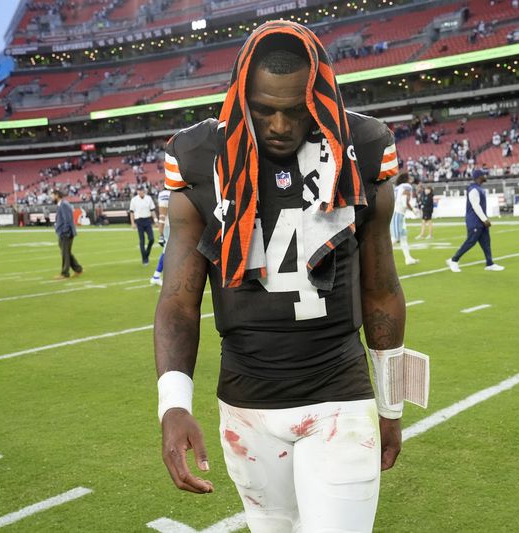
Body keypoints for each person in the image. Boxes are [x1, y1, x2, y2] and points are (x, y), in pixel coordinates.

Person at [154, 21, 412, 533]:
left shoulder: (363, 145)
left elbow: (381, 289)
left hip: (339, 393)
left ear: (318, 96)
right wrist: (173, 405)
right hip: (246, 405)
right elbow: (179, 299)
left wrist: (390, 404)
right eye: (262, 109)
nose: (277, 125)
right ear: (239, 96)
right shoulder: (198, 156)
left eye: (295, 110)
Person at [446, 171, 504, 272]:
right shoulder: (473, 190)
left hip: (480, 221)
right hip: (475, 221)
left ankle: (489, 263)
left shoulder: (478, 189)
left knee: (486, 242)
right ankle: (453, 260)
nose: (485, 176)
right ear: (479, 177)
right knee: (470, 241)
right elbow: (475, 206)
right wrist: (484, 219)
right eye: (483, 175)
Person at [51, 189, 83, 279]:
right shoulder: (61, 204)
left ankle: (65, 273)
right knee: (66, 252)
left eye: (52, 195)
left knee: (65, 253)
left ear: (57, 195)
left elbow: (67, 220)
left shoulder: (64, 204)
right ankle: (78, 269)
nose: (51, 198)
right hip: (63, 233)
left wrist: (65, 232)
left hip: (66, 233)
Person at [391, 172, 419, 265]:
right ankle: (381, 257)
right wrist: (413, 209)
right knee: (395, 238)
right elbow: (404, 201)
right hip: (397, 213)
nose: (411, 178)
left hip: (399, 214)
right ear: (406, 179)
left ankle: (408, 258)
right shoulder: (407, 186)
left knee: (403, 238)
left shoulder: (399, 187)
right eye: (409, 176)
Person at [129, 185, 157, 265]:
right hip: (139, 220)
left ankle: (146, 253)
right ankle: (144, 259)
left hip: (147, 220)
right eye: (138, 190)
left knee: (151, 239)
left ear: (144, 191)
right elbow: (132, 212)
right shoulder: (134, 200)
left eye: (141, 190)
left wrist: (155, 220)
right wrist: (133, 223)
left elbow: (152, 210)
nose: (140, 192)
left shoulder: (148, 198)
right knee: (142, 240)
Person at [150, 187, 171, 286]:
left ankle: (156, 276)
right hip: (169, 226)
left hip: (171, 226)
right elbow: (162, 215)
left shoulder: (166, 193)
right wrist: (161, 233)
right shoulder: (166, 194)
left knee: (168, 251)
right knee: (167, 251)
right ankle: (156, 276)